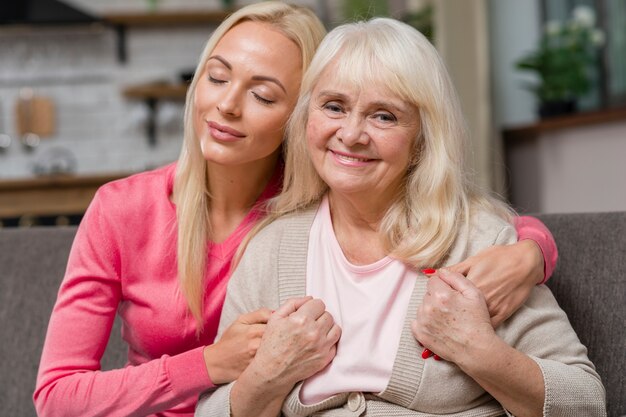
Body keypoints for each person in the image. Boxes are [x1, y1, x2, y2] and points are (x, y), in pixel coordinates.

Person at [34, 2, 555, 416]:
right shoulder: (124, 209)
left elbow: (458, 217)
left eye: (262, 94)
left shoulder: (319, 204)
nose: (226, 106)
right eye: (216, 78)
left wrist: (532, 251)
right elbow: (56, 397)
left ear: (301, 114)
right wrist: (211, 363)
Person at [195, 17, 605, 417]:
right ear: (306, 119)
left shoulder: (478, 243)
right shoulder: (271, 248)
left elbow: (586, 402)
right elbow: (211, 410)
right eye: (334, 107)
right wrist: (268, 374)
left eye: (383, 116)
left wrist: (480, 352)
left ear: (423, 137)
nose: (352, 134)